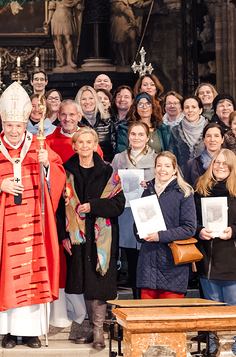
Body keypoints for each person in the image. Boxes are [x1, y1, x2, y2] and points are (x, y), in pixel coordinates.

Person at [0, 82, 66, 348]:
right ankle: (7, 332)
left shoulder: (38, 145)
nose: (14, 131)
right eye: (9, 125)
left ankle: (31, 332)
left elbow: (59, 175)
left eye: (18, 125)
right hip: (5, 226)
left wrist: (47, 165)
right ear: (2, 124)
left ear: (25, 123)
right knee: (7, 274)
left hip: (34, 224)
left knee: (33, 274)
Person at [58, 127, 125, 351]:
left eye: (89, 142)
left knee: (98, 282)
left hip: (101, 239)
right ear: (74, 146)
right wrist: (63, 236)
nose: (85, 146)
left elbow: (118, 205)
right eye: (81, 142)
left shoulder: (108, 171)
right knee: (86, 282)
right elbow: (58, 208)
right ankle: (91, 327)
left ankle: (98, 330)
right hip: (77, 237)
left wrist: (93, 206)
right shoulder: (65, 171)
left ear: (96, 145)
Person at [194, 149, 236, 357]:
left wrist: (234, 230)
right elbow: (190, 220)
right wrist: (199, 230)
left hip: (235, 261)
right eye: (217, 162)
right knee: (213, 309)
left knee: (235, 306)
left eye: (225, 163)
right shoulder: (201, 189)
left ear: (233, 167)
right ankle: (215, 349)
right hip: (209, 260)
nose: (220, 166)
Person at [135, 152, 197, 299]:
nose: (162, 169)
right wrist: (139, 231)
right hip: (148, 264)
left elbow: (189, 228)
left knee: (170, 312)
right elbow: (138, 221)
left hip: (173, 265)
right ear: (154, 169)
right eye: (159, 165)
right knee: (146, 312)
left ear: (174, 169)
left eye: (167, 166)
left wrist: (160, 236)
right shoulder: (147, 192)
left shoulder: (184, 192)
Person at [112, 122, 157, 296]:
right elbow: (110, 184)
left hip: (148, 213)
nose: (136, 138)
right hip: (126, 213)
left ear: (147, 138)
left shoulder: (157, 159)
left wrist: (151, 185)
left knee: (148, 257)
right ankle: (135, 295)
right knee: (131, 258)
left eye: (140, 134)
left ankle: (148, 297)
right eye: (133, 134)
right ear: (128, 137)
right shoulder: (119, 159)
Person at [77, 85, 114, 162]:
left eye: (91, 98)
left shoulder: (108, 121)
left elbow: (114, 147)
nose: (87, 102)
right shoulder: (75, 123)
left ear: (96, 100)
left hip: (105, 165)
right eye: (83, 99)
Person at [185, 123, 225, 187]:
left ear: (222, 139)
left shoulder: (230, 163)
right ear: (204, 140)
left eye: (216, 136)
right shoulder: (192, 164)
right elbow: (187, 189)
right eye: (208, 136)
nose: (212, 139)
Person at [174, 96, 207, 166]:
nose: (190, 110)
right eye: (187, 107)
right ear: (183, 111)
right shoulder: (175, 131)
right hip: (182, 171)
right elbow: (172, 156)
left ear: (200, 110)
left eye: (193, 107)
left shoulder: (210, 129)